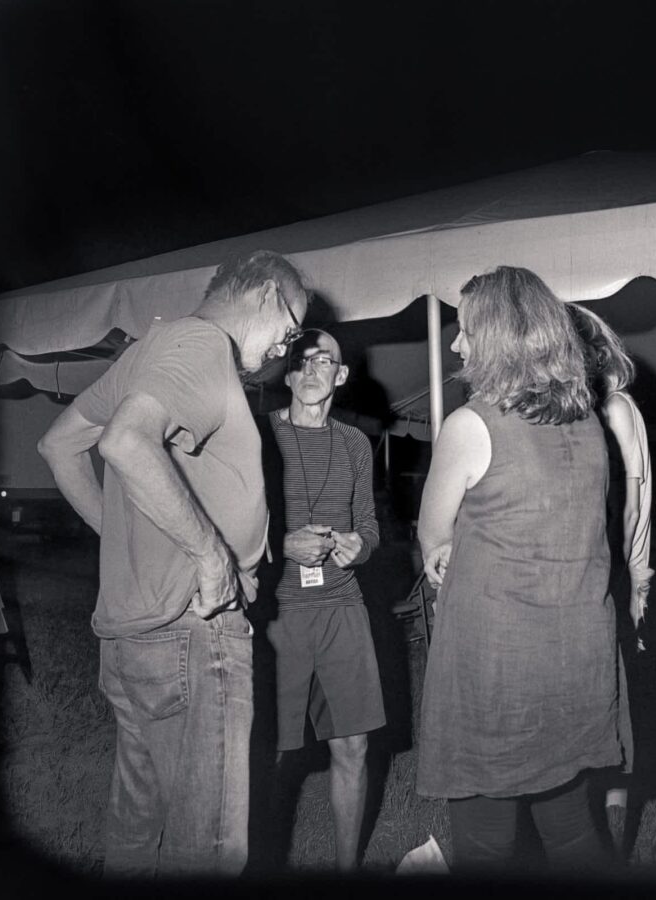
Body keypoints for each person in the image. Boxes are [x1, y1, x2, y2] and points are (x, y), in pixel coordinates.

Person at [37, 250, 307, 878]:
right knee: (207, 852)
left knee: (138, 835)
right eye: (290, 330)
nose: (281, 351)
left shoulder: (150, 347)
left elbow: (60, 445)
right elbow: (124, 442)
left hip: (138, 635)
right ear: (266, 294)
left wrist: (128, 542)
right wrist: (208, 553)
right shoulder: (199, 345)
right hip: (192, 634)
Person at [415, 266, 631, 873]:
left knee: (485, 846)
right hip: (575, 662)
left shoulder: (470, 424)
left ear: (501, 336)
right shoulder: (589, 424)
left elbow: (433, 534)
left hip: (497, 673)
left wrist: (440, 551)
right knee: (571, 833)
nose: (456, 345)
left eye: (465, 331)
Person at [260, 329, 384, 870]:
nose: (311, 370)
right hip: (278, 612)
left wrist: (359, 549)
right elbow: (233, 524)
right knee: (274, 753)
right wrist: (283, 543)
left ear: (341, 375)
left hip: (341, 608)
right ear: (287, 375)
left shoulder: (356, 444)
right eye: (301, 362)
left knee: (352, 747)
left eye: (323, 361)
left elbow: (372, 528)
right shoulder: (261, 437)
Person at [568, 303, 651, 850]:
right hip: (583, 581)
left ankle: (610, 852)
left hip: (612, 580)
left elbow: (632, 505)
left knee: (611, 717)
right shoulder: (570, 413)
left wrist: (633, 581)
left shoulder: (614, 407)